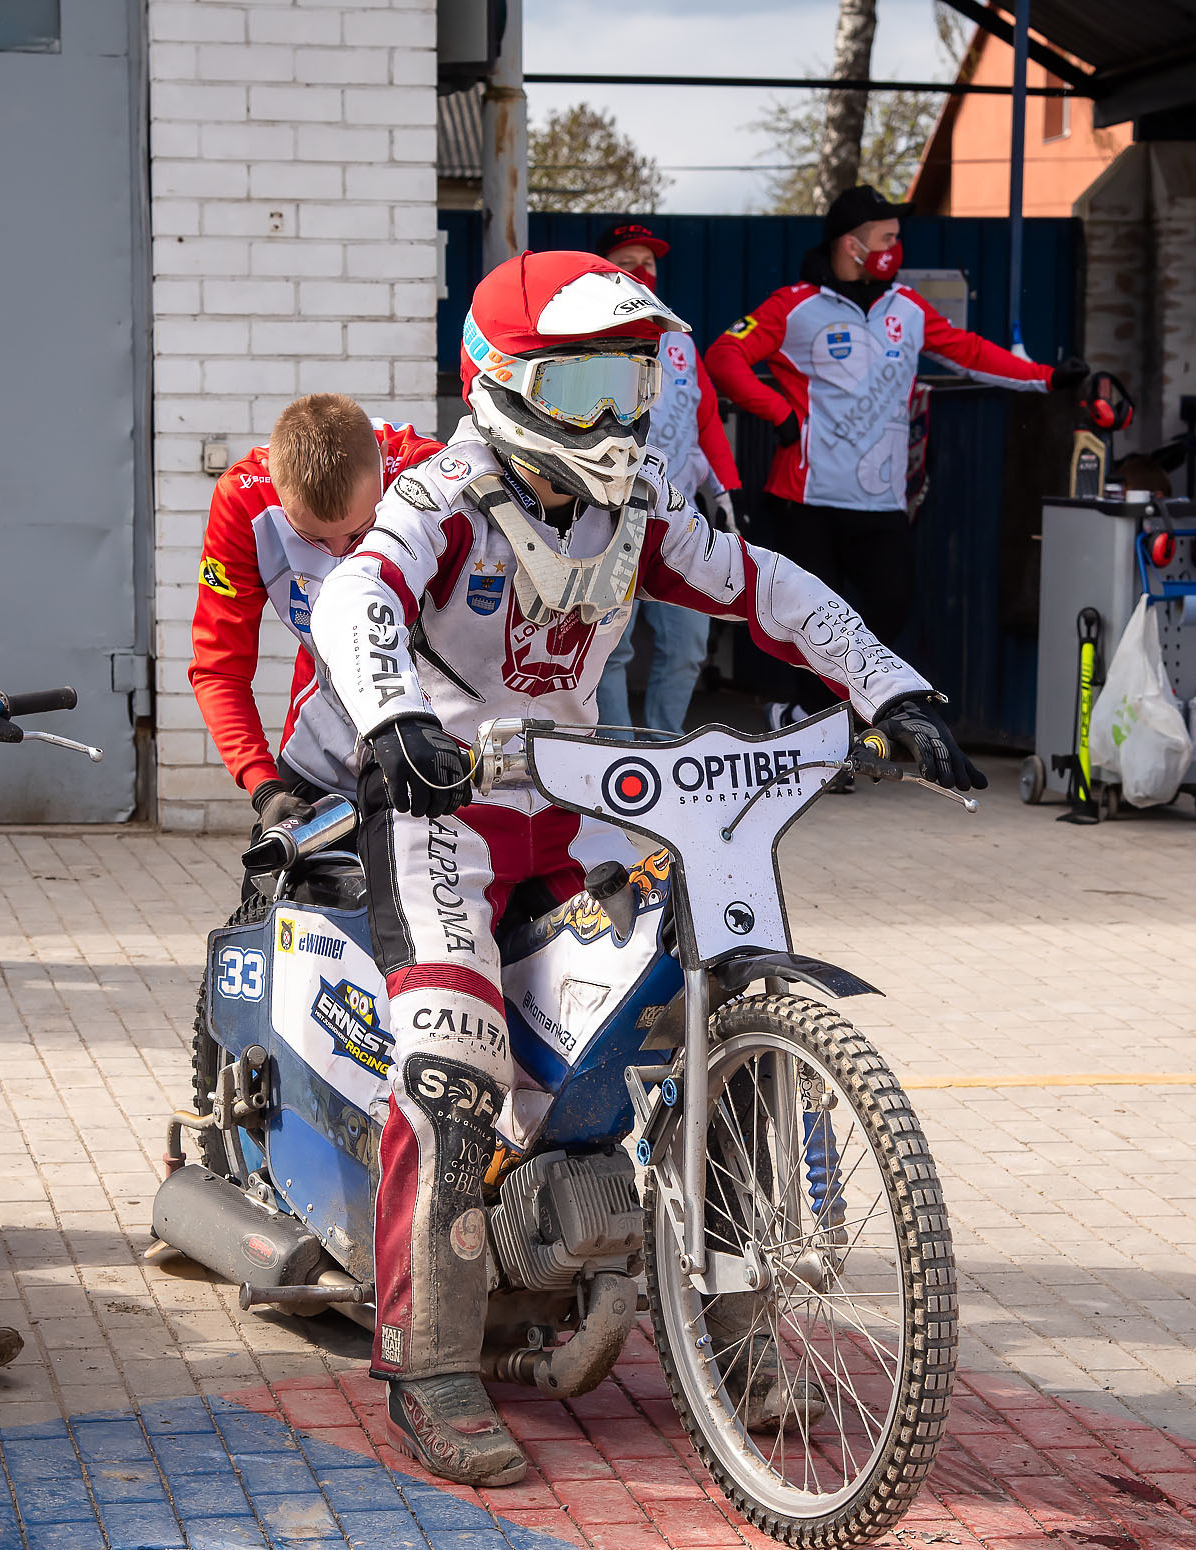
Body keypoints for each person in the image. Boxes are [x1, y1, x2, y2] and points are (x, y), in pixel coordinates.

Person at [304, 251, 982, 1487]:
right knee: (453, 1066)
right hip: (443, 803)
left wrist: (890, 682)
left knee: (700, 1027)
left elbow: (763, 585)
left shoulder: (639, 503)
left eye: (633, 380)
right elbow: (356, 594)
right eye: (587, 387)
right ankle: (431, 1364)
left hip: (576, 804)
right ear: (503, 382)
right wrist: (394, 713)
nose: (620, 417)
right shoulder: (443, 492)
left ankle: (729, 1336)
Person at [706, 184, 1084, 719]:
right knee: (811, 615)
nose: (897, 248)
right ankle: (818, 724)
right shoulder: (794, 305)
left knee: (890, 605)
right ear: (852, 244)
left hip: (882, 500)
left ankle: (814, 714)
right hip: (805, 498)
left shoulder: (906, 308)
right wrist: (779, 414)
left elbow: (968, 353)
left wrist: (1045, 378)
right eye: (888, 237)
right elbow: (724, 356)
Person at [189, 393, 441, 829]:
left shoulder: (432, 475)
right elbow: (220, 668)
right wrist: (263, 786)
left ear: (383, 469)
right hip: (322, 734)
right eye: (313, 539)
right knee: (273, 883)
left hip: (438, 728)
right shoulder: (243, 501)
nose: (341, 555)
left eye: (361, 532)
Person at [590, 221, 740, 735]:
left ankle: (663, 750)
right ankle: (616, 758)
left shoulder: (679, 341)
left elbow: (706, 422)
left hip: (678, 516)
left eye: (649, 262)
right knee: (610, 648)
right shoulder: (587, 337)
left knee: (688, 645)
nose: (642, 271)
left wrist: (725, 491)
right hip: (607, 516)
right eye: (628, 260)